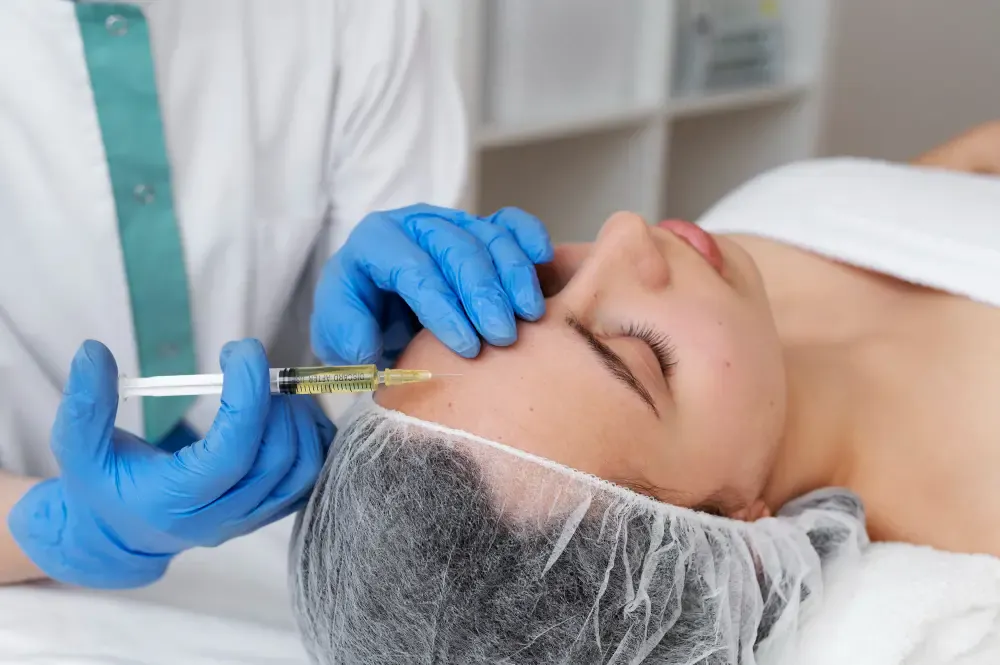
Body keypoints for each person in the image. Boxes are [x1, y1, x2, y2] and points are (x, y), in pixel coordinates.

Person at [285, 121, 1000, 662]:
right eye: (636, 349)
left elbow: (951, 184)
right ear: (741, 539)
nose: (625, 233)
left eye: (543, 285)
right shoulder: (977, 509)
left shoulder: (731, 282)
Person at [0, 0, 556, 591]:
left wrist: (396, 335)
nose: (627, 233)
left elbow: (430, 382)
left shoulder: (360, 17)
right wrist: (62, 529)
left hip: (291, 542)